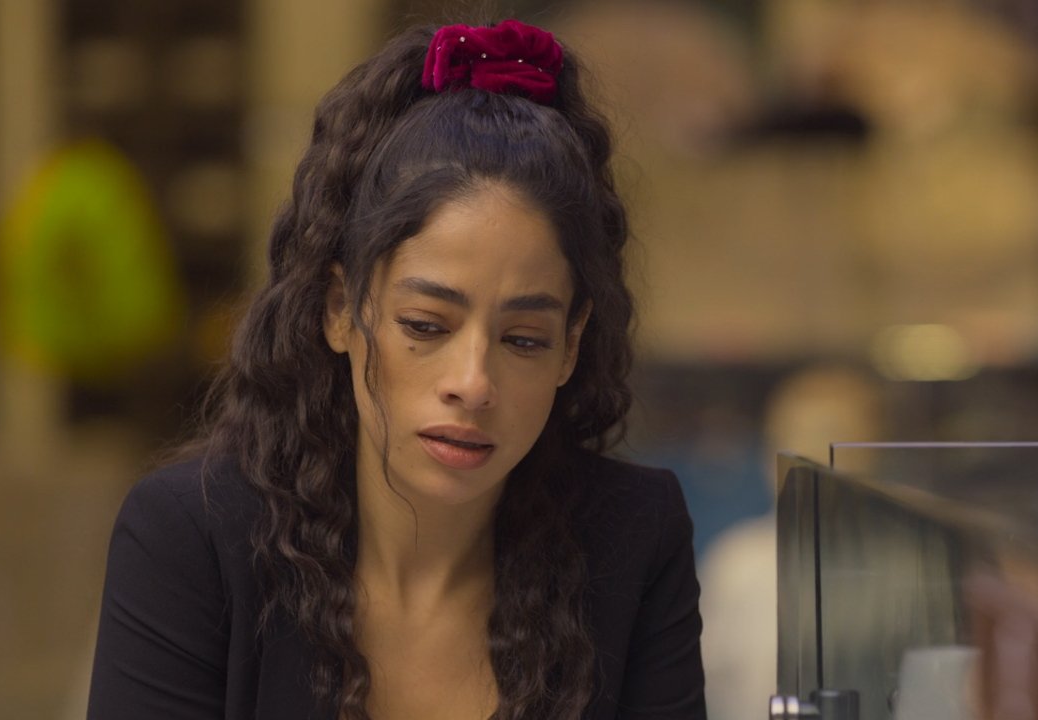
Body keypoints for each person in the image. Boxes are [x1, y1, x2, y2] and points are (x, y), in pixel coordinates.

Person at [86, 19, 705, 720]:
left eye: (524, 339)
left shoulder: (633, 538)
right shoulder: (192, 539)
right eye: (426, 326)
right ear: (342, 310)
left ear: (572, 344)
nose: (473, 383)